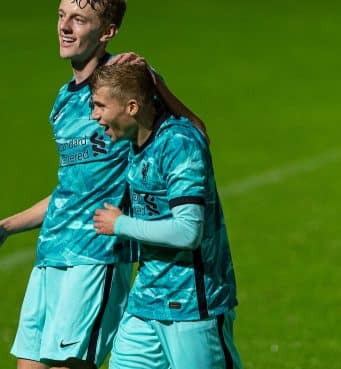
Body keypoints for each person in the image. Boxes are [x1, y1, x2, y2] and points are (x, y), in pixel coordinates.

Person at [0, 0, 207, 369]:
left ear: (107, 32)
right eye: (62, 16)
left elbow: (193, 135)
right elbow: (72, 190)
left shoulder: (125, 85)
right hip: (52, 251)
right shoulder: (63, 102)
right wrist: (8, 227)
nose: (64, 27)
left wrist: (158, 86)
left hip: (97, 256)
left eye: (79, 20)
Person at [90, 63, 241, 369]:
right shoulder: (134, 140)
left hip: (192, 307)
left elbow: (188, 231)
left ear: (131, 107)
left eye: (100, 106)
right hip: (146, 304)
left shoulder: (179, 144)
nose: (95, 116)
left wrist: (121, 224)